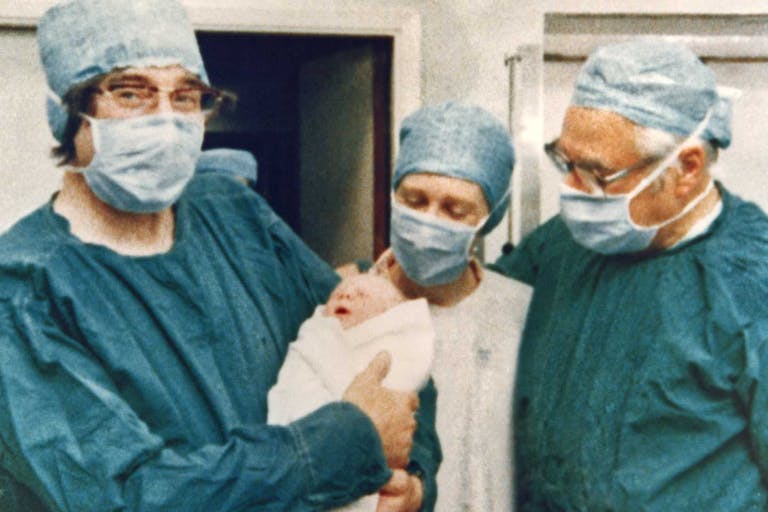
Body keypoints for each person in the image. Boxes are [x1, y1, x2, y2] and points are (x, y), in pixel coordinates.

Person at [0, 1, 438, 510]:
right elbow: (127, 495)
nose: (165, 120)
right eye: (131, 92)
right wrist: (345, 445)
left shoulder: (236, 216)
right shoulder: (24, 292)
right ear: (67, 112)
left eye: (186, 96)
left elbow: (386, 343)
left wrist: (410, 483)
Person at [492, 39, 768, 511]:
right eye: (566, 162)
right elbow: (477, 304)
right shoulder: (563, 245)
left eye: (596, 173)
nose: (572, 189)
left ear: (686, 168)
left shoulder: (750, 285)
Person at [369, 101, 532, 511]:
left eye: (455, 210)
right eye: (414, 200)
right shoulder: (350, 309)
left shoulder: (522, 314)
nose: (430, 221)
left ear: (488, 219)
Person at [268, 273, 435, 512]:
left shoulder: (390, 351)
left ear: (385, 317)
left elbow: (406, 411)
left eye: (361, 295)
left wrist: (416, 486)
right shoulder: (318, 335)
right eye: (337, 294)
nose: (345, 295)